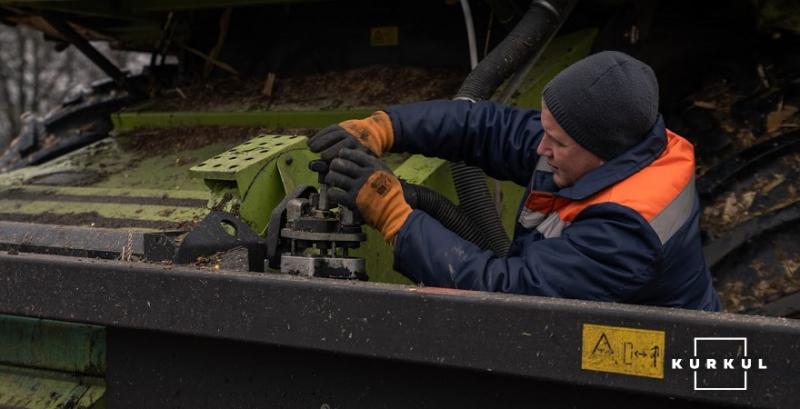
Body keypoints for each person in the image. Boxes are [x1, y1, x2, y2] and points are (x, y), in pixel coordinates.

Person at [307, 51, 721, 311]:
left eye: (557, 141)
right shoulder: (610, 143)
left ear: (600, 151)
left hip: (650, 378)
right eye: (545, 129)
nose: (541, 147)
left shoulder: (626, 230)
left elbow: (513, 297)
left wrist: (396, 217)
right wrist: (386, 127)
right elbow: (485, 127)